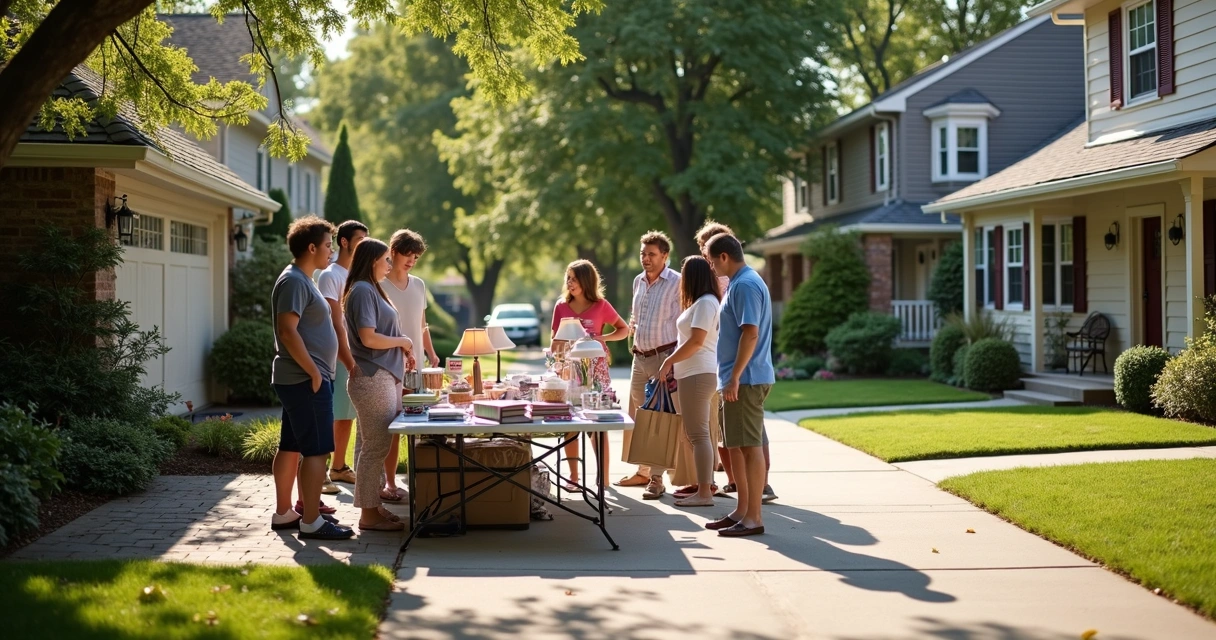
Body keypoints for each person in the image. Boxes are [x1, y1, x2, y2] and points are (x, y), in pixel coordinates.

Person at [269, 215, 352, 540]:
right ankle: (312, 521)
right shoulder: (294, 281)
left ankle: (285, 513)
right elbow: (287, 331)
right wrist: (315, 372)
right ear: (312, 247)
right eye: (329, 245)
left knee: (291, 445)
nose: (331, 251)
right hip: (305, 380)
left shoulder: (302, 279)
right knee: (316, 451)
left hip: (302, 378)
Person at [695, 220, 777, 504]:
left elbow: (750, 333)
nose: (710, 266)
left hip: (746, 380)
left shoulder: (744, 285)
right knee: (739, 448)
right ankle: (743, 512)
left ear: (724, 257)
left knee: (749, 448)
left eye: (710, 259)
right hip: (741, 378)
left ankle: (751, 515)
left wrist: (734, 378)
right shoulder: (738, 283)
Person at [343, 238, 414, 532]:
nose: (389, 264)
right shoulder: (361, 290)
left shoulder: (371, 288)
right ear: (372, 260)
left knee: (368, 446)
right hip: (373, 378)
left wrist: (402, 352)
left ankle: (372, 507)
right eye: (386, 259)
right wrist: (403, 342)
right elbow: (369, 338)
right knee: (376, 447)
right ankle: (368, 516)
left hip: (381, 375)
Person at [550, 259, 629, 489]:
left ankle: (603, 479)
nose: (569, 282)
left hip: (597, 371)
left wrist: (602, 338)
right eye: (568, 278)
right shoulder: (561, 306)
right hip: (570, 370)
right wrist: (558, 355)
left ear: (586, 281)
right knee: (571, 422)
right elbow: (554, 341)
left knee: (598, 424)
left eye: (574, 278)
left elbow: (623, 329)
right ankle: (573, 478)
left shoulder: (601, 305)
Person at [618, 231, 682, 500]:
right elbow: (636, 314)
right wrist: (634, 328)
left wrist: (674, 361)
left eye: (651, 254)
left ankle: (657, 479)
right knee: (640, 416)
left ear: (665, 256)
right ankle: (643, 471)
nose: (645, 258)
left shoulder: (677, 282)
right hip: (639, 358)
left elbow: (683, 324)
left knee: (659, 418)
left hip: (663, 358)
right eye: (643, 253)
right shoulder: (638, 281)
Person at [379, 229, 440, 502]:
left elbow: (422, 324)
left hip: (416, 368)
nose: (412, 261)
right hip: (388, 367)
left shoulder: (418, 284)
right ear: (393, 251)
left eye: (415, 256)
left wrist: (431, 353)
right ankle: (389, 483)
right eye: (408, 254)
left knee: (417, 423)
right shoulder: (378, 285)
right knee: (392, 426)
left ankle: (420, 481)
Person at [657, 256, 721, 507]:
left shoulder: (706, 303)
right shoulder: (700, 303)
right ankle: (703, 488)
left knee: (699, 435)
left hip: (698, 374)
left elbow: (695, 342)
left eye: (684, 275)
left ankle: (705, 492)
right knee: (697, 434)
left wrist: (668, 361)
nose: (681, 280)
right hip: (692, 374)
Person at [315, 220, 368, 489]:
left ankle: (338, 467)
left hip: (355, 353)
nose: (363, 244)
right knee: (329, 413)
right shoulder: (330, 275)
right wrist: (347, 356)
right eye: (359, 239)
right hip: (335, 354)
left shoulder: (357, 275)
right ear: (344, 241)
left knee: (345, 414)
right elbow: (334, 320)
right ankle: (320, 471)